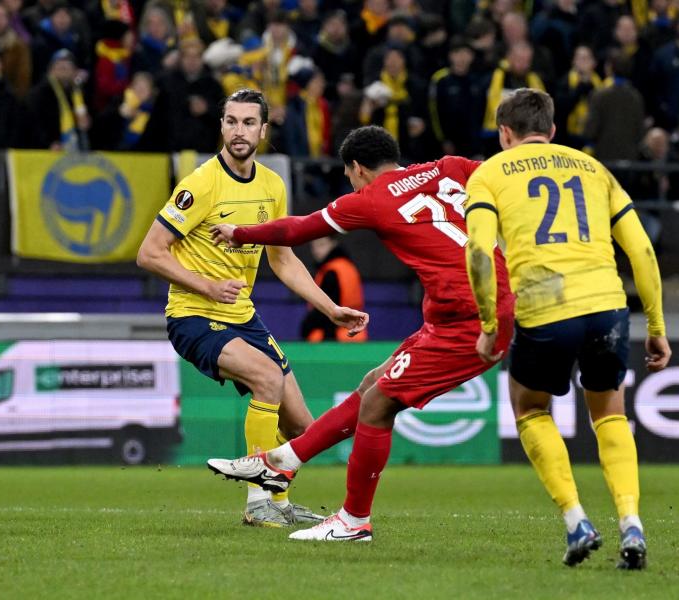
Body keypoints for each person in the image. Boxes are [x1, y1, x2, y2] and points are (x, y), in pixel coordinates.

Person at [206, 125, 515, 542]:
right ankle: (281, 462)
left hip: (470, 316)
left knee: (377, 405)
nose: (349, 181)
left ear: (356, 168)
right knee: (373, 384)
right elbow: (509, 182)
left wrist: (239, 232)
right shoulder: (450, 168)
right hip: (459, 311)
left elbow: (297, 229)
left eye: (347, 174)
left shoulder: (372, 198)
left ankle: (353, 520)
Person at [136, 88, 368, 527]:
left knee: (303, 428)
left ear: (263, 130)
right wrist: (206, 285)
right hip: (193, 316)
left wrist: (330, 307)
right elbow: (149, 253)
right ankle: (257, 504)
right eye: (230, 121)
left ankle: (278, 503)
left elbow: (282, 258)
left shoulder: (272, 185)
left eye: (248, 123)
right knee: (266, 379)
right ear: (221, 126)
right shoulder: (201, 184)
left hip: (243, 317)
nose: (238, 131)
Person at [464, 88, 671, 569]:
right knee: (610, 414)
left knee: (530, 407)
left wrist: (490, 322)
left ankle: (577, 520)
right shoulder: (593, 169)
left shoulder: (489, 173)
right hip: (607, 306)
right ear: (553, 130)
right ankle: (632, 524)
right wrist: (656, 325)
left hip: (544, 307)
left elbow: (477, 251)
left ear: (504, 134)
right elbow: (641, 250)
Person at [300, 236, 367, 343]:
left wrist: (305, 329)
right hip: (356, 335)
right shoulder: (348, 267)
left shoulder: (331, 272)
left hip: (335, 339)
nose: (316, 250)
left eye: (321, 245)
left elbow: (327, 310)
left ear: (333, 243)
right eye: (313, 246)